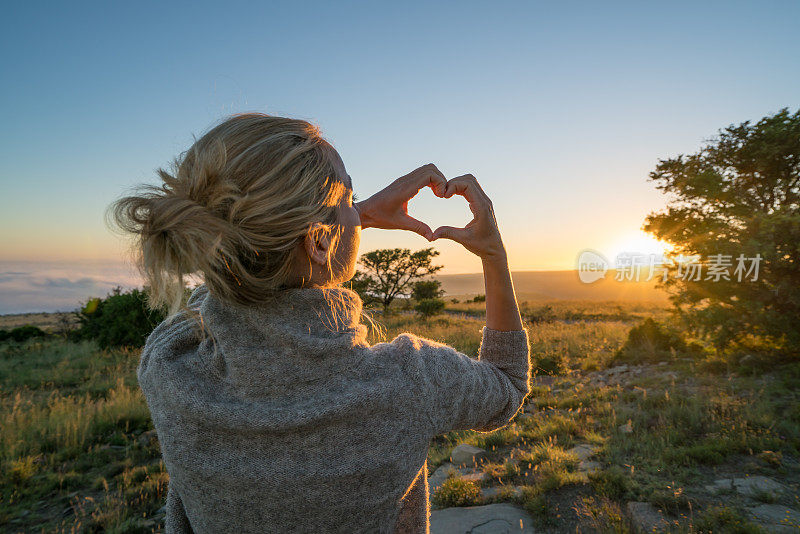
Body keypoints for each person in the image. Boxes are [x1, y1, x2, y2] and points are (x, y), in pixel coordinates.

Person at [109, 113, 531, 533]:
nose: (356, 209)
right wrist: (494, 253)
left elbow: (223, 289)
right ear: (318, 241)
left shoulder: (169, 365)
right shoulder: (408, 381)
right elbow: (507, 385)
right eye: (349, 197)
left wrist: (349, 216)